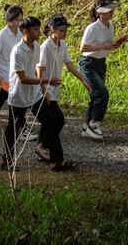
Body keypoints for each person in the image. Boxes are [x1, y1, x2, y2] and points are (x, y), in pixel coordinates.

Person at [2, 16, 75, 172]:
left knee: (52, 123)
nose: (39, 32)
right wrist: (46, 81)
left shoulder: (36, 47)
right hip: (19, 96)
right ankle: (7, 161)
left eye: (38, 28)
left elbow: (36, 73)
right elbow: (22, 79)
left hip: (35, 94)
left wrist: (43, 90)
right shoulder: (18, 51)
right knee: (13, 129)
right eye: (35, 29)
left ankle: (57, 161)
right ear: (26, 32)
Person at [34, 14, 92, 162]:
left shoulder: (62, 44)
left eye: (65, 29)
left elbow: (69, 64)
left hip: (54, 89)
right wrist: (44, 90)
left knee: (48, 121)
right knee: (58, 120)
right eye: (61, 30)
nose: (65, 32)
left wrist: (83, 80)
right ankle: (42, 147)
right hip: (46, 89)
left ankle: (40, 150)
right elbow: (39, 69)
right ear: (52, 30)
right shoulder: (45, 47)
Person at [78, 0, 126, 140]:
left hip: (101, 63)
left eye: (112, 10)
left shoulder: (110, 26)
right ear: (100, 13)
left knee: (95, 96)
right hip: (88, 64)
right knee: (102, 93)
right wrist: (102, 47)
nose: (112, 12)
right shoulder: (92, 28)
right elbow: (83, 48)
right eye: (108, 10)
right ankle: (94, 124)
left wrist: (116, 44)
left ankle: (86, 126)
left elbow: (108, 44)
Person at [0, 5, 24, 133]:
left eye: (21, 20)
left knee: (5, 94)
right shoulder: (1, 35)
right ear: (9, 20)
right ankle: (21, 125)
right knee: (11, 94)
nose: (20, 23)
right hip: (4, 70)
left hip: (15, 70)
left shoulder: (20, 34)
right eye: (17, 20)